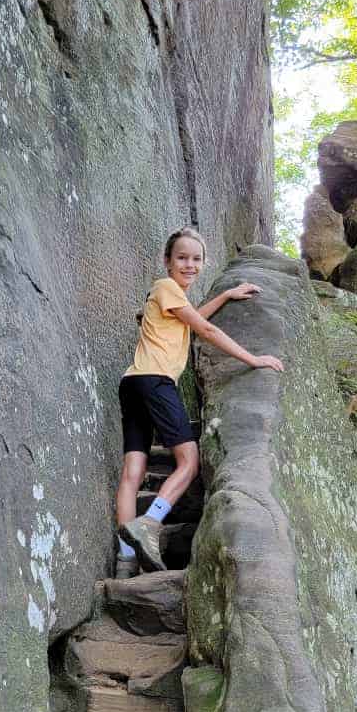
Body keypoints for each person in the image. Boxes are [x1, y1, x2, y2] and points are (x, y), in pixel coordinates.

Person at [115, 227, 284, 577]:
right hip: (155, 382)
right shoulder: (166, 287)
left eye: (196, 259)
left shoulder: (173, 299)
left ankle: (124, 561)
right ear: (167, 261)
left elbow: (194, 320)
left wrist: (226, 296)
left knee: (133, 471)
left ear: (204, 263)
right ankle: (149, 522)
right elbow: (206, 330)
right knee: (189, 461)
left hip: (132, 382)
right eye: (181, 258)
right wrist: (253, 360)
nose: (189, 265)